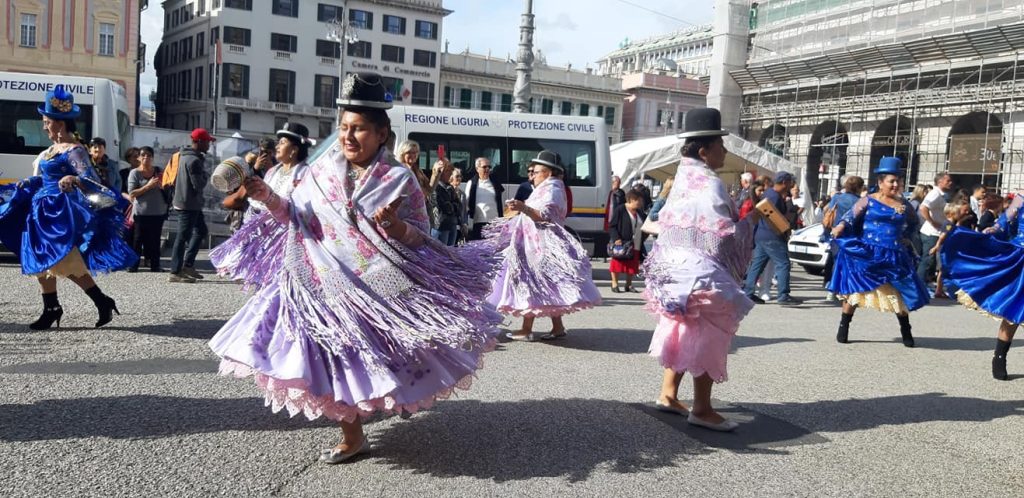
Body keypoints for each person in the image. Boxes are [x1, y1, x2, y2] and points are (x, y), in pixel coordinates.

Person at [208, 71, 500, 464]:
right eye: (344, 127)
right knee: (335, 359)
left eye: (359, 129)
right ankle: (353, 433)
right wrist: (268, 196)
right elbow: (295, 217)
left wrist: (395, 227)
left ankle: (374, 411)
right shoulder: (321, 170)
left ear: (381, 134)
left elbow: (420, 235)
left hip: (376, 288)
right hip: (320, 280)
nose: (348, 136)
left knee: (378, 360)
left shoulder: (400, 179)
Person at [645, 107, 760, 432]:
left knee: (681, 327)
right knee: (709, 332)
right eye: (720, 145)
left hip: (671, 267)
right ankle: (703, 408)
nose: (725, 151)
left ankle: (668, 394)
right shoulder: (709, 184)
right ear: (704, 150)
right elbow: (722, 239)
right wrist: (749, 224)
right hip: (700, 270)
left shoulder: (682, 178)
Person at [0, 85, 135, 329]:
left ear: (59, 124)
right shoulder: (52, 150)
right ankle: (53, 307)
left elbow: (91, 178)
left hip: (57, 214)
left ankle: (99, 301)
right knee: (40, 261)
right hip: (39, 211)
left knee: (63, 262)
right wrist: (26, 183)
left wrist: (74, 179)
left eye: (46, 121)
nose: (44, 126)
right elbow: (45, 178)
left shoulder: (74, 151)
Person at [486, 150, 601, 342]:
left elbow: (545, 216)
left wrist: (523, 207)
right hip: (535, 244)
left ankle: (526, 329)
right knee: (545, 285)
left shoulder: (553, 189)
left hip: (540, 246)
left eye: (536, 171)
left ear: (548, 172)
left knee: (531, 284)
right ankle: (557, 327)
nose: (532, 175)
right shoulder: (549, 187)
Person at [828, 157, 928, 347]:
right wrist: (840, 226)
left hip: (893, 254)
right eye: (892, 180)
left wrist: (906, 236)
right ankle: (844, 326)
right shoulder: (867, 201)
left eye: (898, 180)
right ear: (880, 183)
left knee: (899, 293)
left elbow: (915, 223)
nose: (896, 184)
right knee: (856, 289)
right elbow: (850, 217)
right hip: (868, 252)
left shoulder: (904, 204)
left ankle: (906, 330)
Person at [941, 191, 1023, 380]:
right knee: (1014, 311)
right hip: (1021, 257)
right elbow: (1005, 219)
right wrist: (994, 228)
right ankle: (999, 357)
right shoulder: (1021, 198)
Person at [744, 171, 800, 305]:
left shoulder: (768, 193)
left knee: (758, 265)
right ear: (785, 182)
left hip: (762, 235)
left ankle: (748, 292)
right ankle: (783, 295)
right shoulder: (775, 197)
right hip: (773, 235)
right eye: (790, 182)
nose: (791, 185)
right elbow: (774, 218)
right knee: (783, 263)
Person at [168, 128, 213, 283]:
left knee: (201, 231)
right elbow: (198, 184)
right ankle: (175, 271)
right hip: (189, 204)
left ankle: (187, 265)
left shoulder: (183, 156)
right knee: (182, 237)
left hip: (185, 201)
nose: (209, 145)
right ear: (199, 142)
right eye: (207, 142)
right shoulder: (194, 161)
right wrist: (206, 175)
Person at [821, 175, 865, 301]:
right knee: (849, 263)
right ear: (859, 188)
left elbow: (827, 210)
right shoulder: (860, 201)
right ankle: (842, 290)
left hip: (836, 233)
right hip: (852, 234)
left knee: (836, 261)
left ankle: (832, 290)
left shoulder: (837, 197)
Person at [126, 146, 167, 272]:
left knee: (155, 240)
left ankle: (155, 265)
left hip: (158, 211)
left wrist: (163, 186)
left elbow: (168, 187)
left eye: (149, 155)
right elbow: (132, 193)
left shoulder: (159, 171)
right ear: (138, 157)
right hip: (141, 212)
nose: (146, 157)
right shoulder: (135, 173)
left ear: (152, 157)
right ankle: (134, 265)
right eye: (143, 155)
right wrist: (148, 186)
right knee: (137, 240)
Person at [918, 172, 954, 285]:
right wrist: (932, 222)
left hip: (939, 232)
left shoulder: (944, 195)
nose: (950, 183)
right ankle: (919, 284)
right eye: (948, 181)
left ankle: (924, 283)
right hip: (931, 233)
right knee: (928, 260)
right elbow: (923, 207)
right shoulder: (934, 194)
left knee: (933, 262)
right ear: (940, 182)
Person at [609, 190, 644, 293]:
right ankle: (614, 283)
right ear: (631, 200)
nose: (640, 203)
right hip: (621, 242)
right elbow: (612, 226)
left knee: (632, 264)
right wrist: (616, 238)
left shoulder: (639, 212)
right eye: (638, 200)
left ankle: (628, 284)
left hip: (635, 242)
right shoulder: (620, 209)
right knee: (617, 263)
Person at [464, 157, 504, 241]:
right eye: (484, 167)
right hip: (479, 222)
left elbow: (500, 200)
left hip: (495, 222)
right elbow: (466, 203)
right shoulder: (472, 183)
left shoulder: (495, 182)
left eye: (489, 167)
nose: (487, 169)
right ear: (477, 168)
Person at [430, 160, 460, 246]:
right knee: (440, 253)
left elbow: (459, 206)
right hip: (440, 225)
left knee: (451, 252)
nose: (450, 173)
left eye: (451, 170)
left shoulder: (450, 187)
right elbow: (445, 207)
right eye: (448, 170)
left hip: (452, 224)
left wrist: (453, 206)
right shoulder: (435, 187)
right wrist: (453, 206)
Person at [450, 168, 469, 244]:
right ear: (451, 177)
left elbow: (464, 211)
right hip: (449, 225)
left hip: (458, 227)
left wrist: (465, 224)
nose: (459, 178)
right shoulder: (446, 191)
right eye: (457, 176)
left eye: (460, 176)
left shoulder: (462, 194)